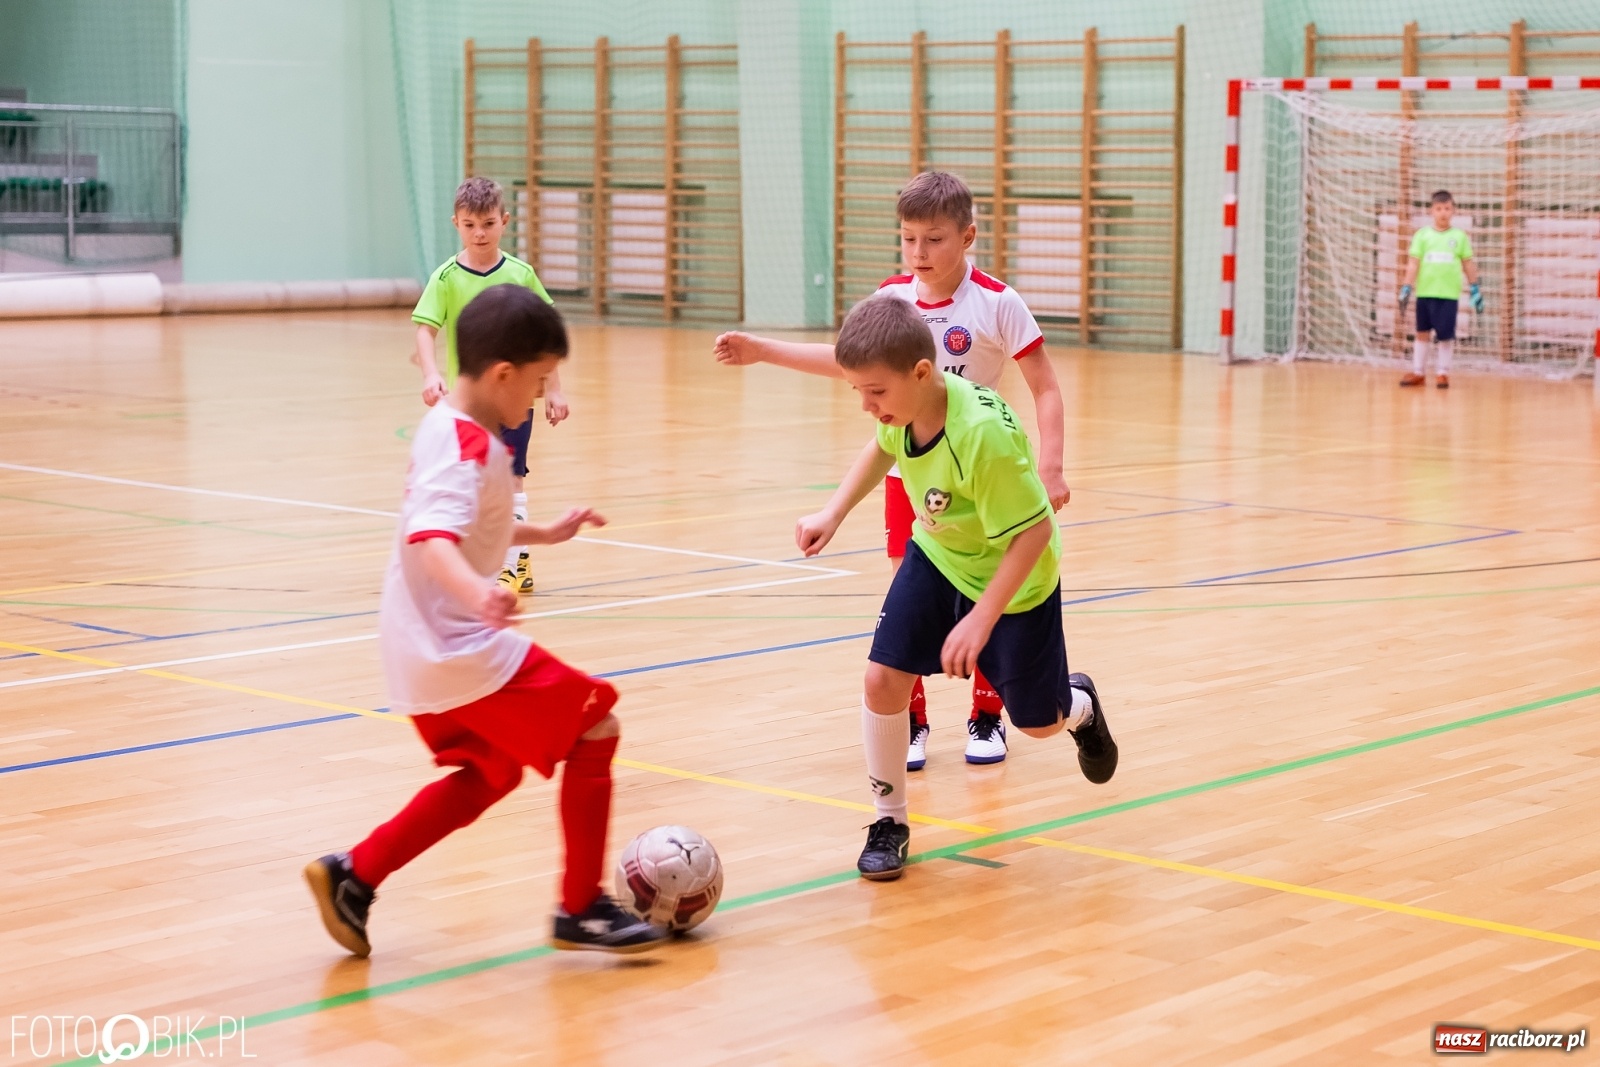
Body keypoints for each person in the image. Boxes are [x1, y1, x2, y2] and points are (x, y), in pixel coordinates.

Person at [305, 285, 664, 956]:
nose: (534, 398)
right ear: (504, 374)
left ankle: (354, 874)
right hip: (454, 644)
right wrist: (477, 593)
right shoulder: (469, 445)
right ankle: (581, 905)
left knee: (490, 773)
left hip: (417, 646)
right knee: (596, 724)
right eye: (535, 383)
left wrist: (543, 534)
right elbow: (433, 536)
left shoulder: (448, 426)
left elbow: (471, 520)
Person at [715, 171, 1069, 771]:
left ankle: (987, 715)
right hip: (913, 472)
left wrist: (1052, 465)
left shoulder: (996, 301)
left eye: (933, 239)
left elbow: (1046, 387)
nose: (919, 253)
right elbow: (850, 361)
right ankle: (911, 722)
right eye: (908, 240)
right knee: (915, 595)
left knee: (986, 586)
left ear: (967, 236)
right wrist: (764, 350)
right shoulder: (892, 299)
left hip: (980, 474)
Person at [794, 296, 1117, 881]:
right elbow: (880, 449)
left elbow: (1036, 533)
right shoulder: (908, 411)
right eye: (858, 393)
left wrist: (980, 618)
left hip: (1014, 580)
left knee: (1039, 724)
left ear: (922, 372)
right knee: (881, 678)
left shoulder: (982, 435)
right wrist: (832, 513)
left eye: (876, 393)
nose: (868, 406)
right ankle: (889, 820)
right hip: (939, 556)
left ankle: (1082, 707)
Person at [413, 176, 570, 594]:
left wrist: (553, 387)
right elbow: (425, 330)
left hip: (514, 399)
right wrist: (431, 373)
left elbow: (546, 334)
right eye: (469, 225)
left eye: (486, 223)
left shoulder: (520, 275)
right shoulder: (446, 278)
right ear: (456, 224)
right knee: (473, 479)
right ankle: (484, 556)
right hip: (468, 406)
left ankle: (515, 566)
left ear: (504, 221)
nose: (479, 233)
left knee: (511, 478)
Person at [1398, 189, 1482, 389]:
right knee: (1421, 332)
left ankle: (1443, 372)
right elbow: (1413, 263)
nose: (1443, 212)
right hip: (1425, 293)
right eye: (1438, 209)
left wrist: (1475, 287)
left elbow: (1468, 264)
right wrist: (1406, 287)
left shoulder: (1459, 237)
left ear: (1453, 211)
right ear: (1431, 211)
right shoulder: (1422, 235)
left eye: (1447, 208)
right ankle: (1418, 372)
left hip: (1448, 295)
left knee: (1445, 335)